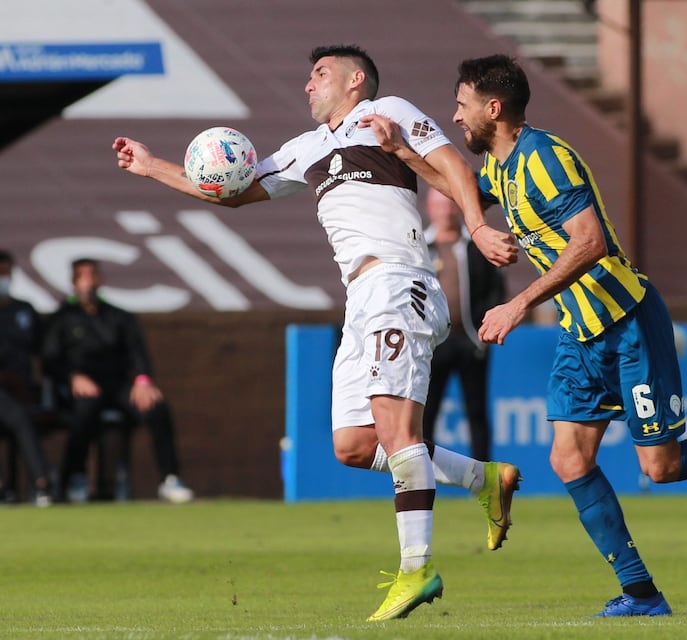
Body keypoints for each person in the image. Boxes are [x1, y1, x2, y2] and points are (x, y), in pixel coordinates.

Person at [370, 54, 687, 617]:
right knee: (568, 459)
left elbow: (591, 242)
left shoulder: (545, 159)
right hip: (580, 332)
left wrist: (519, 302)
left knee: (658, 468)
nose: (456, 115)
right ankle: (641, 593)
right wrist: (400, 152)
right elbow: (459, 181)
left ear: (494, 108)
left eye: (462, 104)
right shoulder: (504, 167)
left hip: (627, 324)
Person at [112, 44, 521, 622]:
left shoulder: (390, 111)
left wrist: (476, 227)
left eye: (319, 74)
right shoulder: (305, 150)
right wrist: (151, 166)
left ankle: (418, 568)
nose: (308, 84)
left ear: (356, 81)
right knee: (354, 445)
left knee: (398, 429)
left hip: (398, 281)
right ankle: (484, 478)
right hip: (360, 301)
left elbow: (453, 163)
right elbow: (231, 191)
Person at [42, 258, 194, 505]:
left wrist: (143, 381)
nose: (89, 282)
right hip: (82, 388)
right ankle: (74, 478)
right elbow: (50, 360)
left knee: (156, 408)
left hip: (118, 384)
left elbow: (138, 354)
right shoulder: (62, 318)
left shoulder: (119, 317)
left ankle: (170, 478)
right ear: (74, 281)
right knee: (84, 413)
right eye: (83, 276)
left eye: (93, 275)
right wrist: (73, 377)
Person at [422, 188, 506, 462]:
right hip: (434, 345)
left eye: (450, 205)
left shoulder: (476, 245)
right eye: (440, 206)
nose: (446, 211)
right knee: (426, 411)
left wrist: (483, 334)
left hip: (471, 342)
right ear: (429, 208)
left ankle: (485, 477)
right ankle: (424, 474)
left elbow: (495, 291)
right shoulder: (420, 246)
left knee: (477, 411)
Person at [0, 250, 54, 507]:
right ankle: (42, 482)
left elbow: (44, 350)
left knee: (21, 414)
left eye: (6, 273)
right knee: (19, 417)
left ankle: (37, 485)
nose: (3, 279)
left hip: (22, 389)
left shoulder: (24, 310)